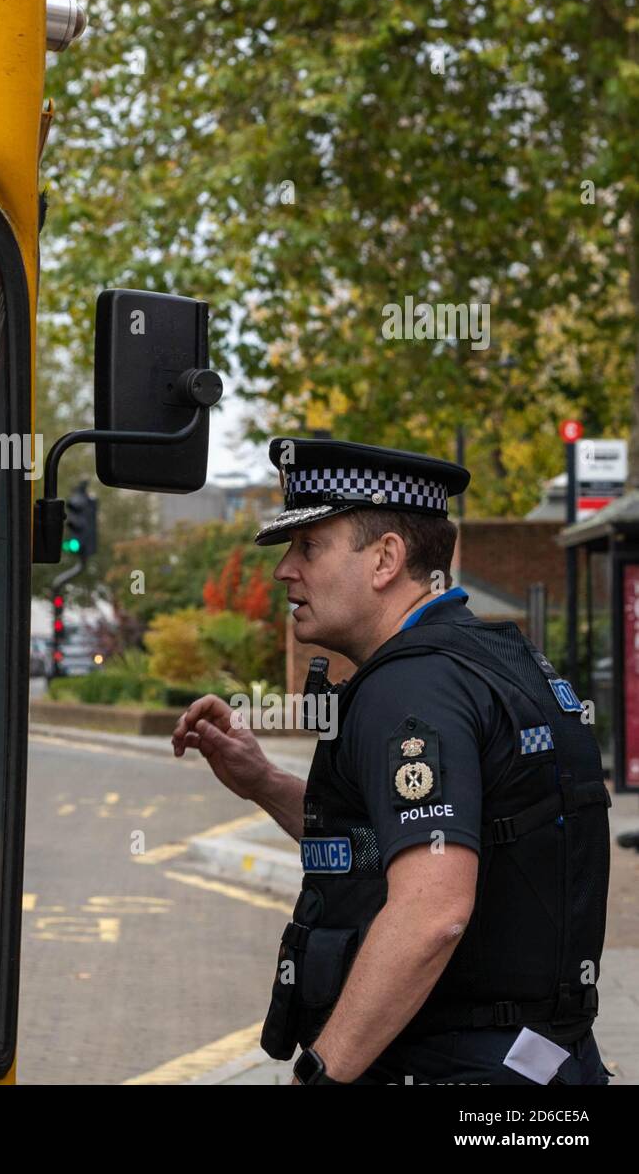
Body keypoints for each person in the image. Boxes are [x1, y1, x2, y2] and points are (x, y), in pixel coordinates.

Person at [172, 437, 611, 1085]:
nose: (283, 571)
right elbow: (394, 840)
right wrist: (263, 780)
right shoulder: (487, 657)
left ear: (385, 558)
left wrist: (323, 1072)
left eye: (309, 546)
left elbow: (432, 909)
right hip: (539, 1061)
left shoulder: (411, 688)